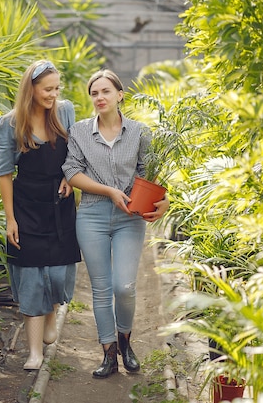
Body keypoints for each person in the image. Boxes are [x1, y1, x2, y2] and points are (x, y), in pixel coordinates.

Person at [62, 69, 169, 378]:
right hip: (92, 214)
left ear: (120, 95)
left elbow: (151, 174)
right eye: (94, 93)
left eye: (106, 91)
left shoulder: (139, 132)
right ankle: (108, 352)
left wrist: (164, 201)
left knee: (124, 286)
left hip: (129, 216)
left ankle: (125, 341)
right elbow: (72, 170)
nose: (100, 98)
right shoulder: (80, 132)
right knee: (101, 287)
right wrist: (108, 190)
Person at [0, 60, 81, 370]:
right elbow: (4, 173)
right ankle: (34, 353)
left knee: (58, 274)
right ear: (30, 88)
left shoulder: (65, 111)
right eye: (47, 89)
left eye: (57, 88)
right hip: (26, 204)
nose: (53, 95)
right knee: (30, 277)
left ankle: (51, 311)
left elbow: (76, 152)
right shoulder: (9, 124)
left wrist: (68, 177)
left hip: (59, 204)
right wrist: (10, 219)